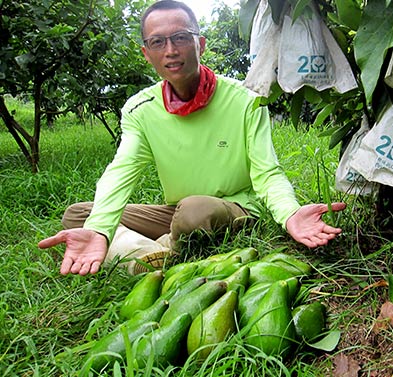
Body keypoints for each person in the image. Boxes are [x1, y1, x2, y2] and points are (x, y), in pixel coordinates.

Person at [38, 0, 346, 276]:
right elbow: (121, 171)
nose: (170, 50)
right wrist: (99, 229)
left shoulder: (245, 100)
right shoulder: (141, 109)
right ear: (147, 54)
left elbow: (266, 172)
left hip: (233, 209)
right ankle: (149, 254)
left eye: (181, 38)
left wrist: (289, 213)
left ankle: (144, 252)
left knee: (195, 210)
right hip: (177, 213)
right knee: (80, 215)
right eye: (158, 42)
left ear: (200, 44)